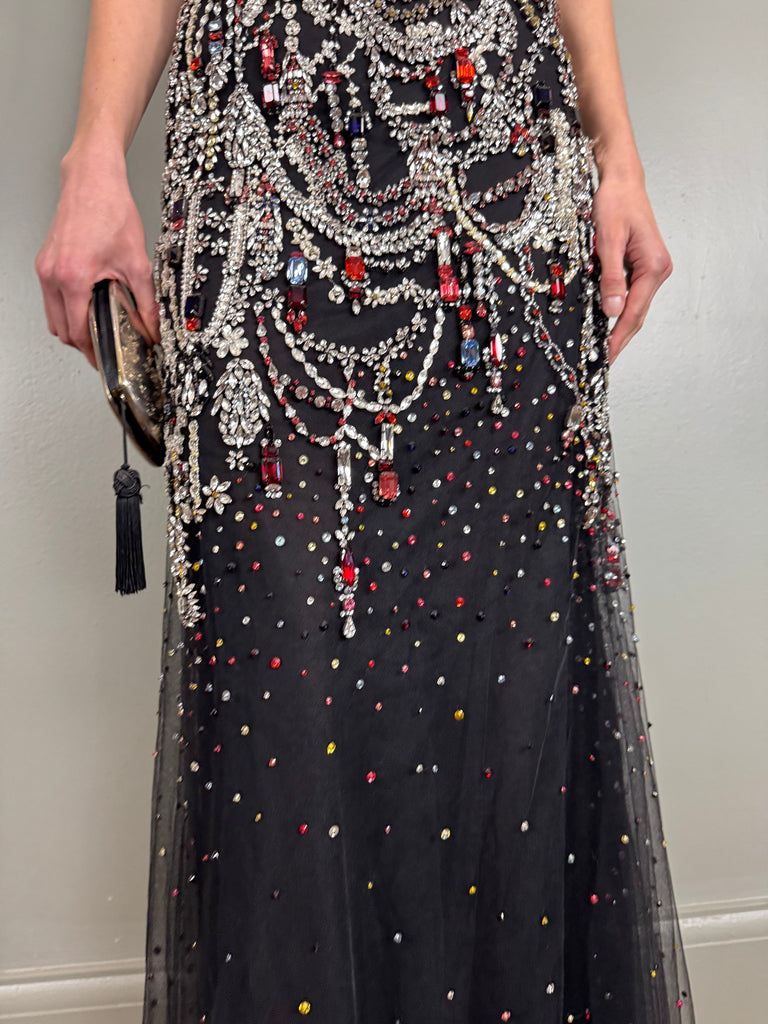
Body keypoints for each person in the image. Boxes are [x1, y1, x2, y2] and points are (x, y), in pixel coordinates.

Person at [36, 1, 695, 1022]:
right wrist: (93, 157)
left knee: (516, 696)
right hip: (267, 156)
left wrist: (621, 154)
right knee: (286, 704)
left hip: (502, 184)